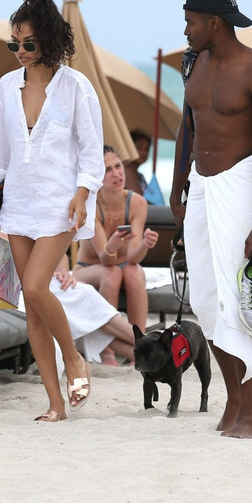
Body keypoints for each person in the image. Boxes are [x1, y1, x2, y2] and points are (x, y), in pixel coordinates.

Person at [170, 0, 252, 440]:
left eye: (191, 22)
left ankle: (249, 412)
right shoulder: (193, 63)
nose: (186, 30)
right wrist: (178, 188)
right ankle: (233, 400)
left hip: (239, 185)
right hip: (201, 185)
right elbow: (188, 127)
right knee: (205, 299)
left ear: (214, 23)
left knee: (238, 299)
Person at [0, 0, 104, 422]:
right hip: (17, 204)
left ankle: (73, 358)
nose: (20, 51)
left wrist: (83, 193)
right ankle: (55, 403)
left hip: (59, 205)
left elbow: (92, 151)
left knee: (36, 287)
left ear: (49, 40)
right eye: (14, 43)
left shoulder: (76, 87)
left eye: (28, 43)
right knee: (32, 309)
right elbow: (2, 151)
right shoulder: (6, 86)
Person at [73, 145, 159, 357]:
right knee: (111, 273)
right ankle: (107, 352)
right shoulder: (90, 206)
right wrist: (111, 246)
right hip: (87, 268)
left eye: (118, 166)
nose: (116, 174)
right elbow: (105, 259)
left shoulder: (137, 203)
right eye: (107, 170)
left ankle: (139, 349)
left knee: (134, 272)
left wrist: (144, 244)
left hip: (122, 266)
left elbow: (132, 258)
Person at [124, 130, 152, 195]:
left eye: (146, 149)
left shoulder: (140, 176)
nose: (144, 152)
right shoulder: (127, 171)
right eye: (139, 147)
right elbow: (138, 197)